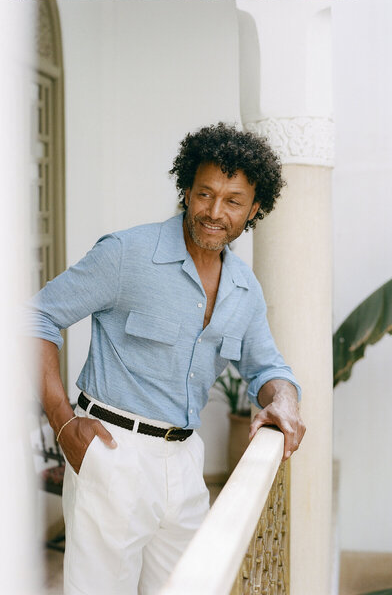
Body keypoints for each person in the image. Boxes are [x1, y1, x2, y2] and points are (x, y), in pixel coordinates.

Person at [26, 123, 305, 595]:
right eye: (205, 194)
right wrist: (62, 421)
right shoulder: (126, 254)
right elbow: (36, 318)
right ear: (186, 190)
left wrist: (285, 399)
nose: (214, 212)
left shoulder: (244, 289)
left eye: (233, 201)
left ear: (255, 208)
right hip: (112, 453)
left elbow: (267, 368)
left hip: (186, 462)